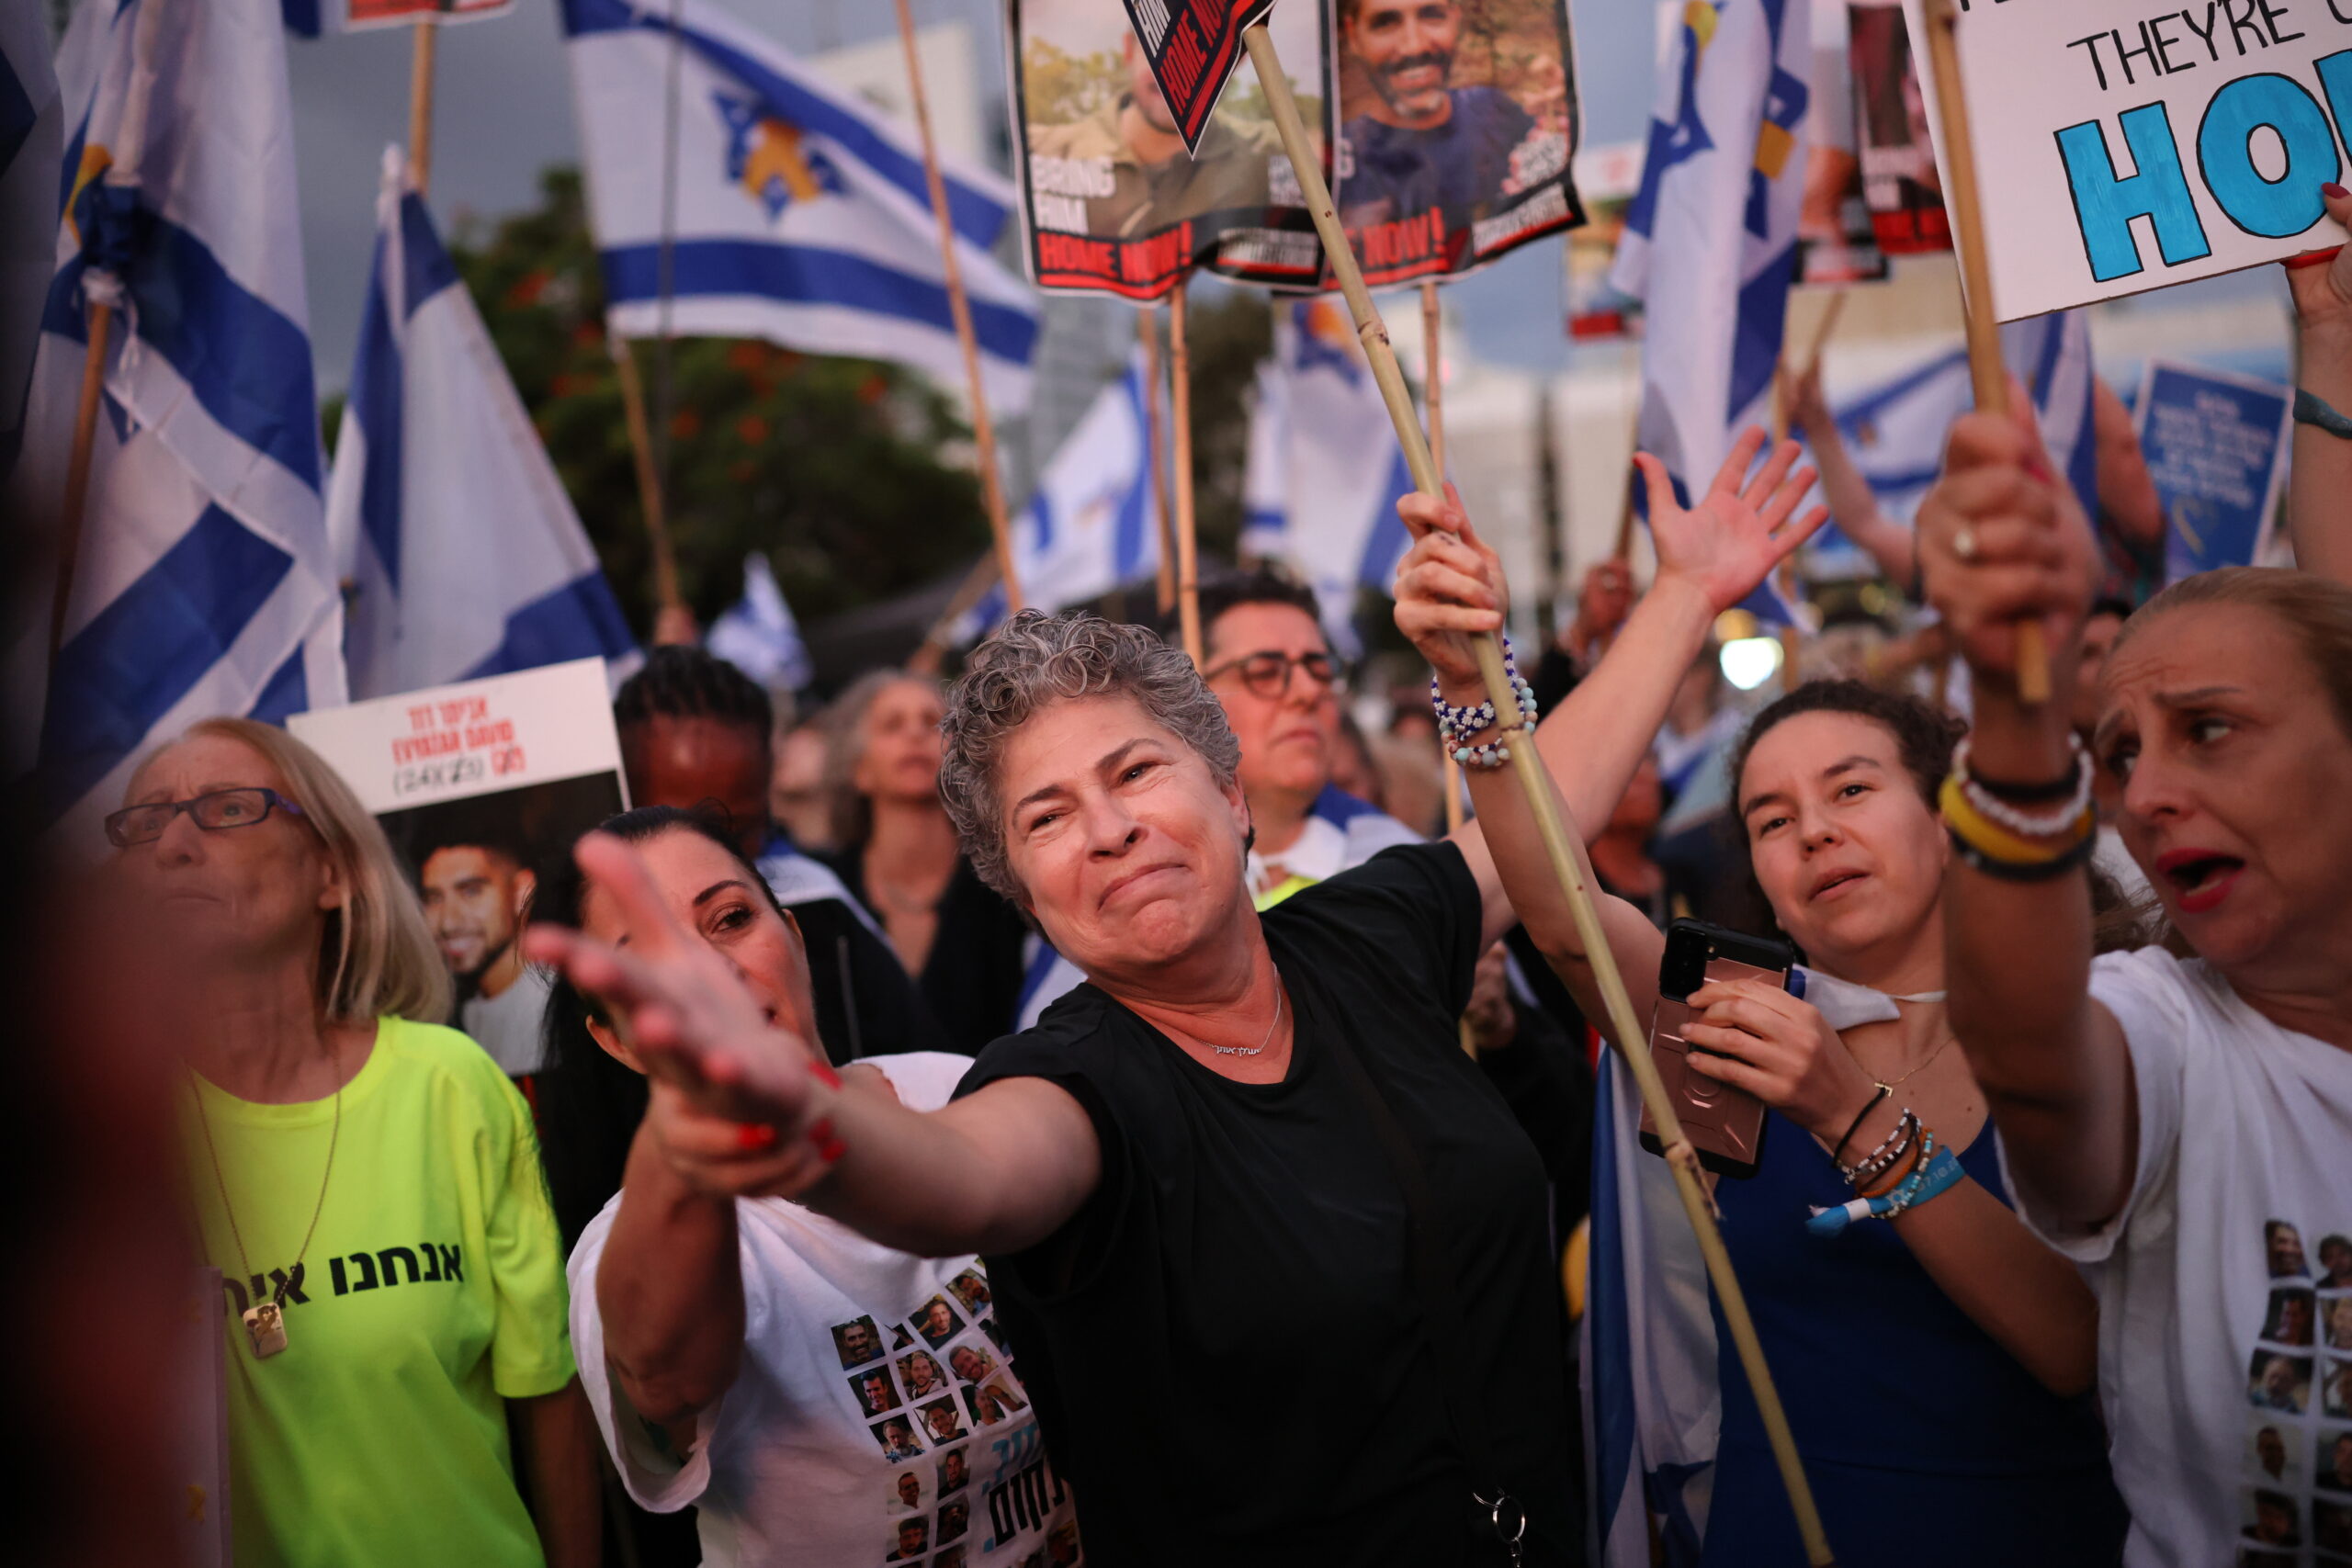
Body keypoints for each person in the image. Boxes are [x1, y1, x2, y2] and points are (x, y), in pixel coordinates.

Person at [522, 448, 1827, 1564]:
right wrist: (781, 1117)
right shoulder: (1064, 1085)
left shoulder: (1365, 931)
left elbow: (1539, 824)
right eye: (1047, 817)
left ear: (1231, 797)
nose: (1108, 829)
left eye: (1136, 770)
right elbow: (958, 1180)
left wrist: (1682, 595)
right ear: (1024, 895)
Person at [1394, 432, 2129, 1566]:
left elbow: (2076, 1347)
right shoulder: (1737, 1017)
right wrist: (1470, 685)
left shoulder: (2082, 1018)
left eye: (1852, 790)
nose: (1814, 832)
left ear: (1947, 818)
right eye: (1771, 821)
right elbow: (1559, 906)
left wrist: (1847, 1114)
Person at [1918, 365, 2352, 1562]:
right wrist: (2011, 707)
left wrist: (2326, 337)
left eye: (2208, 730)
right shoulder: (2167, 1033)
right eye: (2117, 754)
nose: (2148, 793)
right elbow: (2031, 1059)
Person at [111, 716, 598, 1568]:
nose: (174, 844)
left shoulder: (451, 1086)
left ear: (332, 872)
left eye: (227, 808)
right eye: (145, 822)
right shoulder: (102, 1134)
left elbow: (546, 1395)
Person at [538, 805, 1076, 1568]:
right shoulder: (631, 1240)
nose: (710, 972)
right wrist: (686, 1128)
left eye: (730, 919)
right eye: (650, 962)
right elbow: (667, 1379)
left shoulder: (958, 1085)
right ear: (617, 1039)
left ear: (792, 936)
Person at [614, 647, 930, 1064]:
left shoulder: (820, 907)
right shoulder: (594, 945)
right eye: (684, 829)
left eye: (740, 831)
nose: (716, 857)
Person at [818, 671, 1028, 1055]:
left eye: (932, 722)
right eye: (892, 725)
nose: (916, 734)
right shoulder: (824, 894)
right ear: (859, 769)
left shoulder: (1008, 882)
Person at [1024, 32, 1273, 240]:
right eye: (1159, 44)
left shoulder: (1272, 157)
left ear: (1237, 59)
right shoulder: (1038, 150)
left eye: (1201, 48)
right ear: (1129, 49)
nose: (1175, 72)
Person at [1336, 0, 1543, 228]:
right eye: (1385, 23)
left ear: (1456, 18)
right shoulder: (1335, 162)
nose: (1414, 47)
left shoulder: (1496, 111)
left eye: (1432, 15)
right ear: (1353, 36)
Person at [417, 806, 555, 1080]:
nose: (448, 923)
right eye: (434, 898)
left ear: (522, 891)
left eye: (471, 892)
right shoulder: (465, 1013)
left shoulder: (559, 1004)